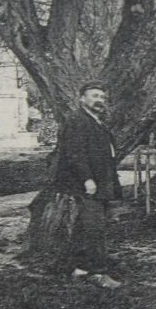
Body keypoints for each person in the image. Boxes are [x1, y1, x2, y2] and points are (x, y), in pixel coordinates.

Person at [53, 80, 123, 289]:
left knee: (85, 227)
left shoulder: (96, 122)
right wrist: (87, 179)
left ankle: (81, 267)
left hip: (101, 181)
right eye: (94, 96)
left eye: (102, 97)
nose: (99, 101)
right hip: (88, 183)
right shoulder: (77, 121)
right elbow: (75, 154)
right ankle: (99, 272)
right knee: (95, 228)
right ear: (82, 98)